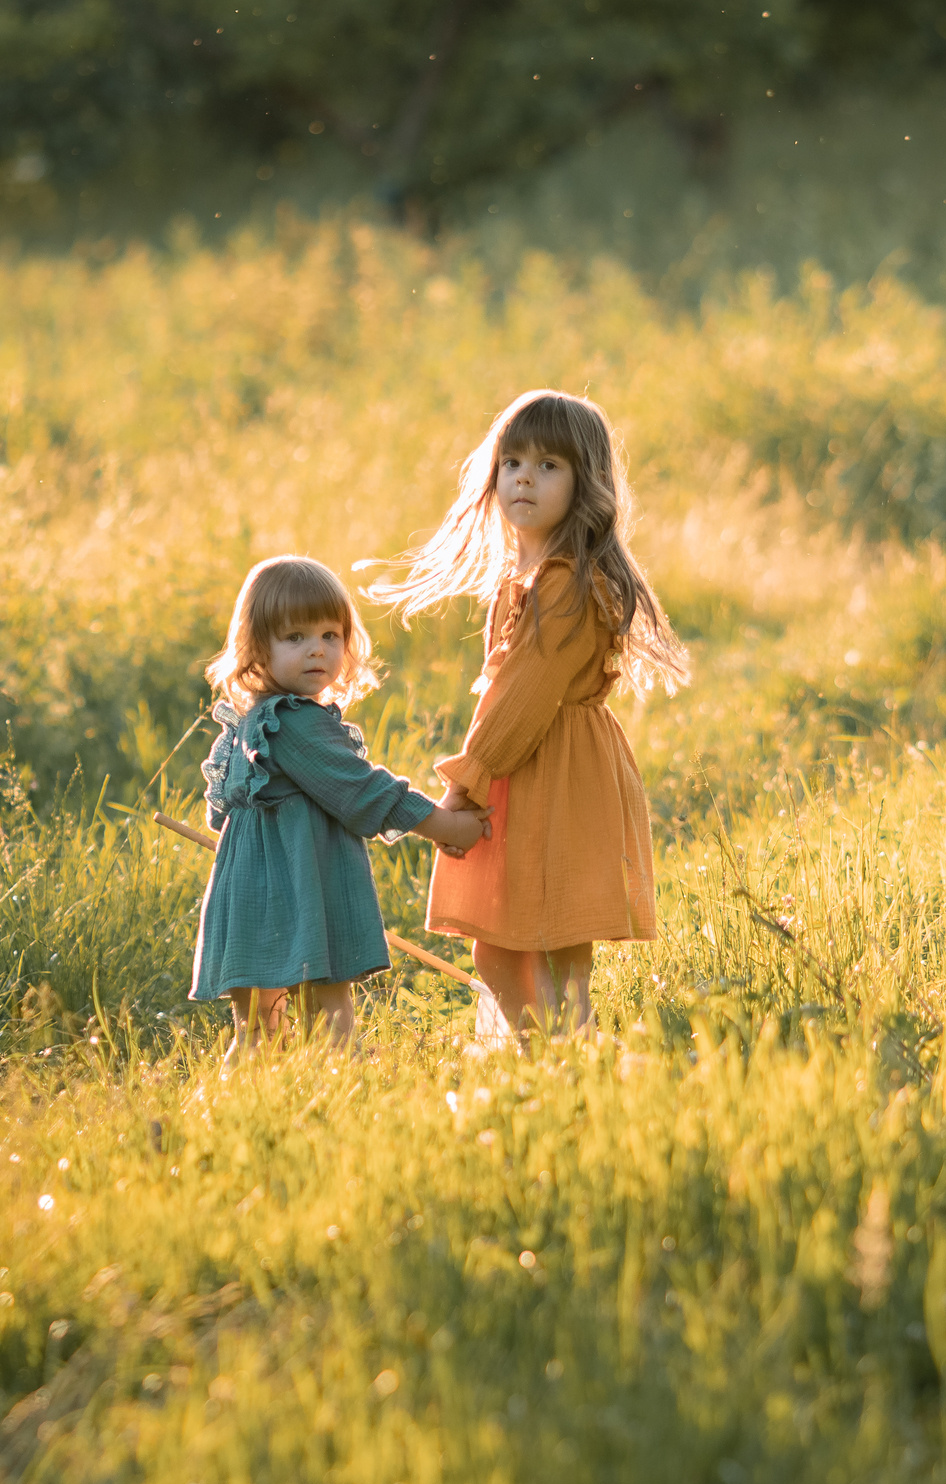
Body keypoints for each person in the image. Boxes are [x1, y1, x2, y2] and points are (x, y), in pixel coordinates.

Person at [369, 389, 691, 1033]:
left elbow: (522, 699)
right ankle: (566, 1056)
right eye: (513, 461)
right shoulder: (540, 577)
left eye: (549, 465)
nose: (524, 477)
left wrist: (467, 783)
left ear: (585, 483)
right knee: (548, 945)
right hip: (556, 767)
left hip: (547, 772)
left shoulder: (564, 583)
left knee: (509, 939)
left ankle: (547, 1059)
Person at [191, 555, 487, 1046]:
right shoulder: (292, 721)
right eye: (295, 638)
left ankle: (252, 1101)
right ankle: (340, 1088)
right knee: (328, 1009)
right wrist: (448, 827)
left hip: (250, 896)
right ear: (258, 648)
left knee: (257, 1029)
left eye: (330, 635)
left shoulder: (251, 722)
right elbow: (363, 790)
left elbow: (222, 811)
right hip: (302, 891)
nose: (317, 651)